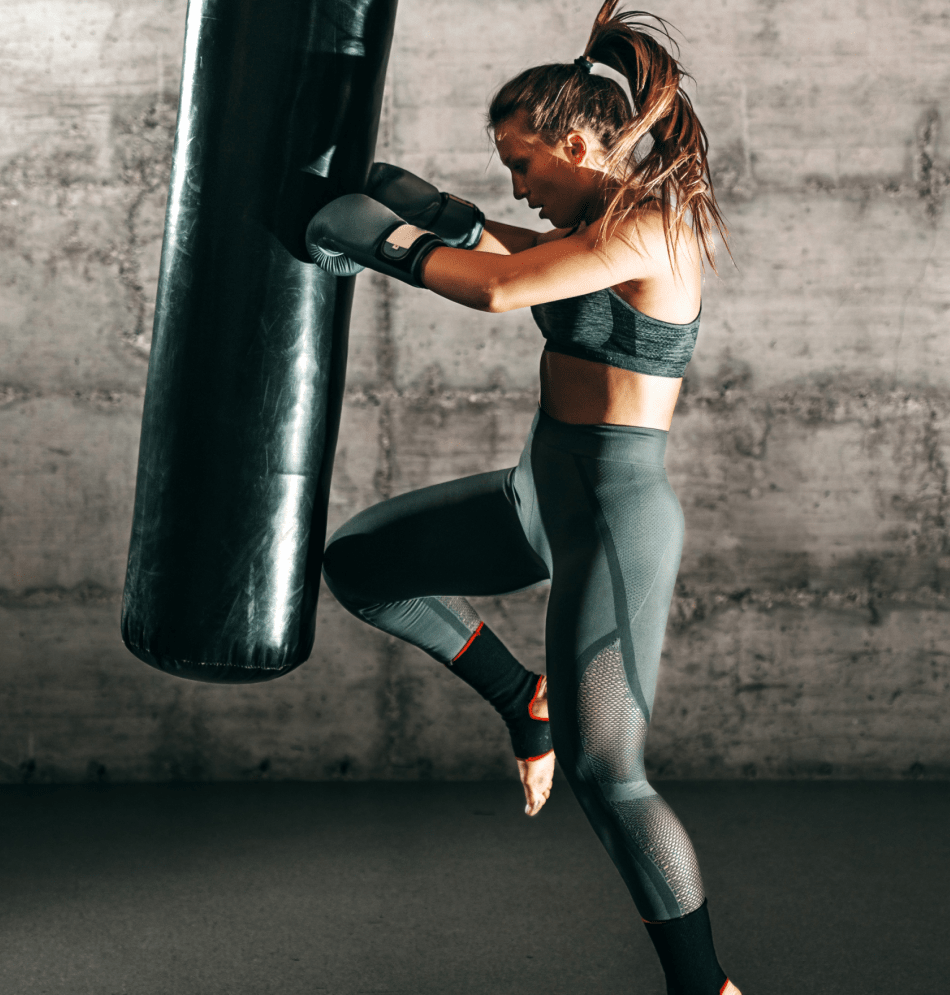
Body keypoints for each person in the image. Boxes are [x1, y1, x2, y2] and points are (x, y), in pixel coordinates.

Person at [307, 3, 738, 992]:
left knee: (607, 774)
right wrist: (453, 217)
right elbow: (524, 258)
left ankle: (704, 984)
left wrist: (392, 245)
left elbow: (505, 289)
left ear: (581, 142)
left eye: (526, 165)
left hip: (613, 524)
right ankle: (522, 696)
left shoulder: (653, 226)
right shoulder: (597, 223)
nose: (520, 187)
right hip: (536, 495)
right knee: (359, 565)